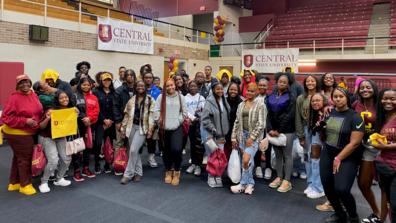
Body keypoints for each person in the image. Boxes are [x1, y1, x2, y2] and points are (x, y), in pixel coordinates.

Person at [320, 87, 364, 223]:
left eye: (341, 96)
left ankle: (353, 216)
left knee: (342, 189)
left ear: (347, 99)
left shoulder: (355, 117)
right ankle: (339, 213)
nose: (338, 99)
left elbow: (355, 143)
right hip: (328, 152)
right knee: (327, 185)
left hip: (347, 156)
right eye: (335, 96)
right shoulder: (329, 112)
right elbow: (324, 133)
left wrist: (339, 158)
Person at [1, 74, 43, 195]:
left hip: (29, 131)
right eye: (22, 83)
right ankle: (25, 185)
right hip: (18, 133)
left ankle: (14, 183)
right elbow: (6, 117)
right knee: (25, 158)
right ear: (17, 85)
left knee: (18, 158)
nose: (25, 84)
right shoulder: (14, 98)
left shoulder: (33, 94)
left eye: (27, 82)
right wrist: (25, 121)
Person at [352, 80, 383, 223]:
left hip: (383, 147)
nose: (365, 90)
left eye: (368, 87)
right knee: (364, 184)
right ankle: (377, 212)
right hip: (365, 148)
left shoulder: (381, 104)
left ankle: (383, 216)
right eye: (362, 87)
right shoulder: (355, 104)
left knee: (387, 185)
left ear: (374, 89)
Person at [230, 83, 265, 194]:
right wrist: (233, 137)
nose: (249, 93)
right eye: (248, 90)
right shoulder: (241, 104)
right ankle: (249, 184)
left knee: (246, 160)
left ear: (257, 92)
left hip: (252, 138)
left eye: (252, 91)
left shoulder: (261, 105)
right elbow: (237, 121)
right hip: (241, 136)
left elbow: (261, 124)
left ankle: (243, 184)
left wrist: (252, 137)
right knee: (248, 161)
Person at [37, 91, 75, 193]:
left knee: (67, 158)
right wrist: (47, 118)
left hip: (61, 136)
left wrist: (76, 113)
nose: (64, 99)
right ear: (57, 100)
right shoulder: (51, 110)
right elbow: (41, 126)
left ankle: (59, 178)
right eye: (61, 98)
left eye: (66, 97)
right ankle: (43, 182)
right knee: (53, 160)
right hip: (47, 137)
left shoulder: (69, 109)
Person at [120, 80, 155, 184]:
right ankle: (138, 172)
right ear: (135, 87)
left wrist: (150, 129)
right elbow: (126, 115)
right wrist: (123, 128)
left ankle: (128, 174)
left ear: (145, 87)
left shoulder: (150, 99)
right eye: (138, 85)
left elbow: (152, 116)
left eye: (142, 86)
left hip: (142, 128)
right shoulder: (131, 100)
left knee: (133, 150)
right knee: (134, 152)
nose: (140, 87)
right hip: (131, 127)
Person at [295, 75, 325, 199]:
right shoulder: (301, 98)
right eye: (308, 81)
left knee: (316, 158)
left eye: (313, 81)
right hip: (306, 130)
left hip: (317, 130)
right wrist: (301, 135)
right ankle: (311, 183)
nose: (310, 83)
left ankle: (319, 186)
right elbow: (298, 117)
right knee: (307, 157)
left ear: (316, 83)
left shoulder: (321, 96)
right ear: (305, 83)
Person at [154, 78, 187, 186]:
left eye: (171, 85)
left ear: (175, 85)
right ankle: (168, 171)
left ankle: (177, 171)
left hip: (177, 127)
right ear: (165, 87)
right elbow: (156, 111)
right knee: (166, 151)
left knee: (177, 150)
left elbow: (184, 113)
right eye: (167, 86)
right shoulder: (161, 97)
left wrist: (178, 121)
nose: (170, 87)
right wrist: (160, 122)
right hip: (163, 128)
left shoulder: (181, 97)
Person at [267, 73, 296, 193]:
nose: (282, 83)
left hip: (286, 131)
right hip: (273, 131)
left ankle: (287, 180)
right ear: (277, 82)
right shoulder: (271, 95)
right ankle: (279, 177)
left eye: (285, 82)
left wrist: (278, 130)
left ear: (288, 84)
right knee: (277, 155)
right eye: (280, 81)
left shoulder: (291, 97)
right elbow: (268, 113)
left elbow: (289, 115)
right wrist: (270, 129)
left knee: (287, 155)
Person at [372, 88, 396, 223]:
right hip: (384, 164)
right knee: (386, 198)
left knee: (395, 203)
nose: (388, 101)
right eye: (385, 98)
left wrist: (386, 146)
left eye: (392, 99)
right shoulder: (383, 117)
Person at [201, 82, 230, 188]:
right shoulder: (209, 101)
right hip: (211, 134)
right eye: (217, 89)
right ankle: (211, 176)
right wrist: (213, 129)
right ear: (213, 90)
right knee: (212, 156)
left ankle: (218, 176)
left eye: (221, 89)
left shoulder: (224, 100)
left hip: (221, 135)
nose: (220, 91)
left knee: (220, 156)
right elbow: (204, 119)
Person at [72, 77, 100, 182]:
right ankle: (76, 171)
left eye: (88, 85)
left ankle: (86, 168)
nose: (86, 86)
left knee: (87, 147)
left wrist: (89, 118)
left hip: (89, 125)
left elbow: (96, 111)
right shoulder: (74, 96)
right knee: (77, 148)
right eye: (84, 85)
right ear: (80, 85)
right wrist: (82, 118)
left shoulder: (94, 97)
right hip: (77, 126)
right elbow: (72, 110)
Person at [93, 72, 116, 174]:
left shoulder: (114, 92)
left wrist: (110, 120)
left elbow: (115, 107)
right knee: (98, 143)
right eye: (105, 80)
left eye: (109, 80)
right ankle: (97, 164)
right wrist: (103, 120)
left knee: (109, 145)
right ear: (101, 81)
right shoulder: (96, 92)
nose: (107, 82)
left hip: (111, 123)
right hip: (99, 122)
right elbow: (95, 108)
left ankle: (107, 164)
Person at [113, 69, 136, 161]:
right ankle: (118, 165)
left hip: (134, 121)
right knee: (120, 143)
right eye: (127, 75)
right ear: (125, 78)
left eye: (131, 75)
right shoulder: (119, 90)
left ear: (134, 76)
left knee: (131, 144)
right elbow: (115, 106)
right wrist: (118, 121)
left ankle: (129, 164)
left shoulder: (138, 89)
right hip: (121, 120)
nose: (130, 76)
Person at [185, 81, 205, 176]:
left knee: (199, 145)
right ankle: (193, 163)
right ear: (188, 87)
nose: (193, 88)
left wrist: (199, 116)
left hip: (199, 124)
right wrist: (193, 118)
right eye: (191, 86)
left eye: (195, 86)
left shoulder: (201, 98)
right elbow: (184, 111)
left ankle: (198, 165)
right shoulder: (185, 98)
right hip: (191, 124)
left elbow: (204, 109)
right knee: (192, 144)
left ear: (198, 87)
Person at [142, 71, 161, 167]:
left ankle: (151, 157)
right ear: (143, 79)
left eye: (150, 77)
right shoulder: (140, 88)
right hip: (141, 118)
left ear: (152, 79)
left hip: (152, 119)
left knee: (152, 140)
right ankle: (137, 159)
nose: (148, 79)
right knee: (140, 139)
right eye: (146, 77)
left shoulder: (157, 91)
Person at [255, 77, 270, 179]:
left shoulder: (271, 98)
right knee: (257, 148)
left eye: (264, 85)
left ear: (267, 86)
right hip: (256, 128)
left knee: (268, 147)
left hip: (267, 128)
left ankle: (268, 167)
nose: (262, 87)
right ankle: (258, 166)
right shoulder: (254, 98)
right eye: (260, 85)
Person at [225, 82, 243, 160]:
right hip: (225, 129)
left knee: (235, 150)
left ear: (238, 91)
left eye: (235, 90)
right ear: (228, 90)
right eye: (231, 89)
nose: (233, 91)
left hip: (236, 129)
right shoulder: (224, 101)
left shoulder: (241, 102)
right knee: (226, 151)